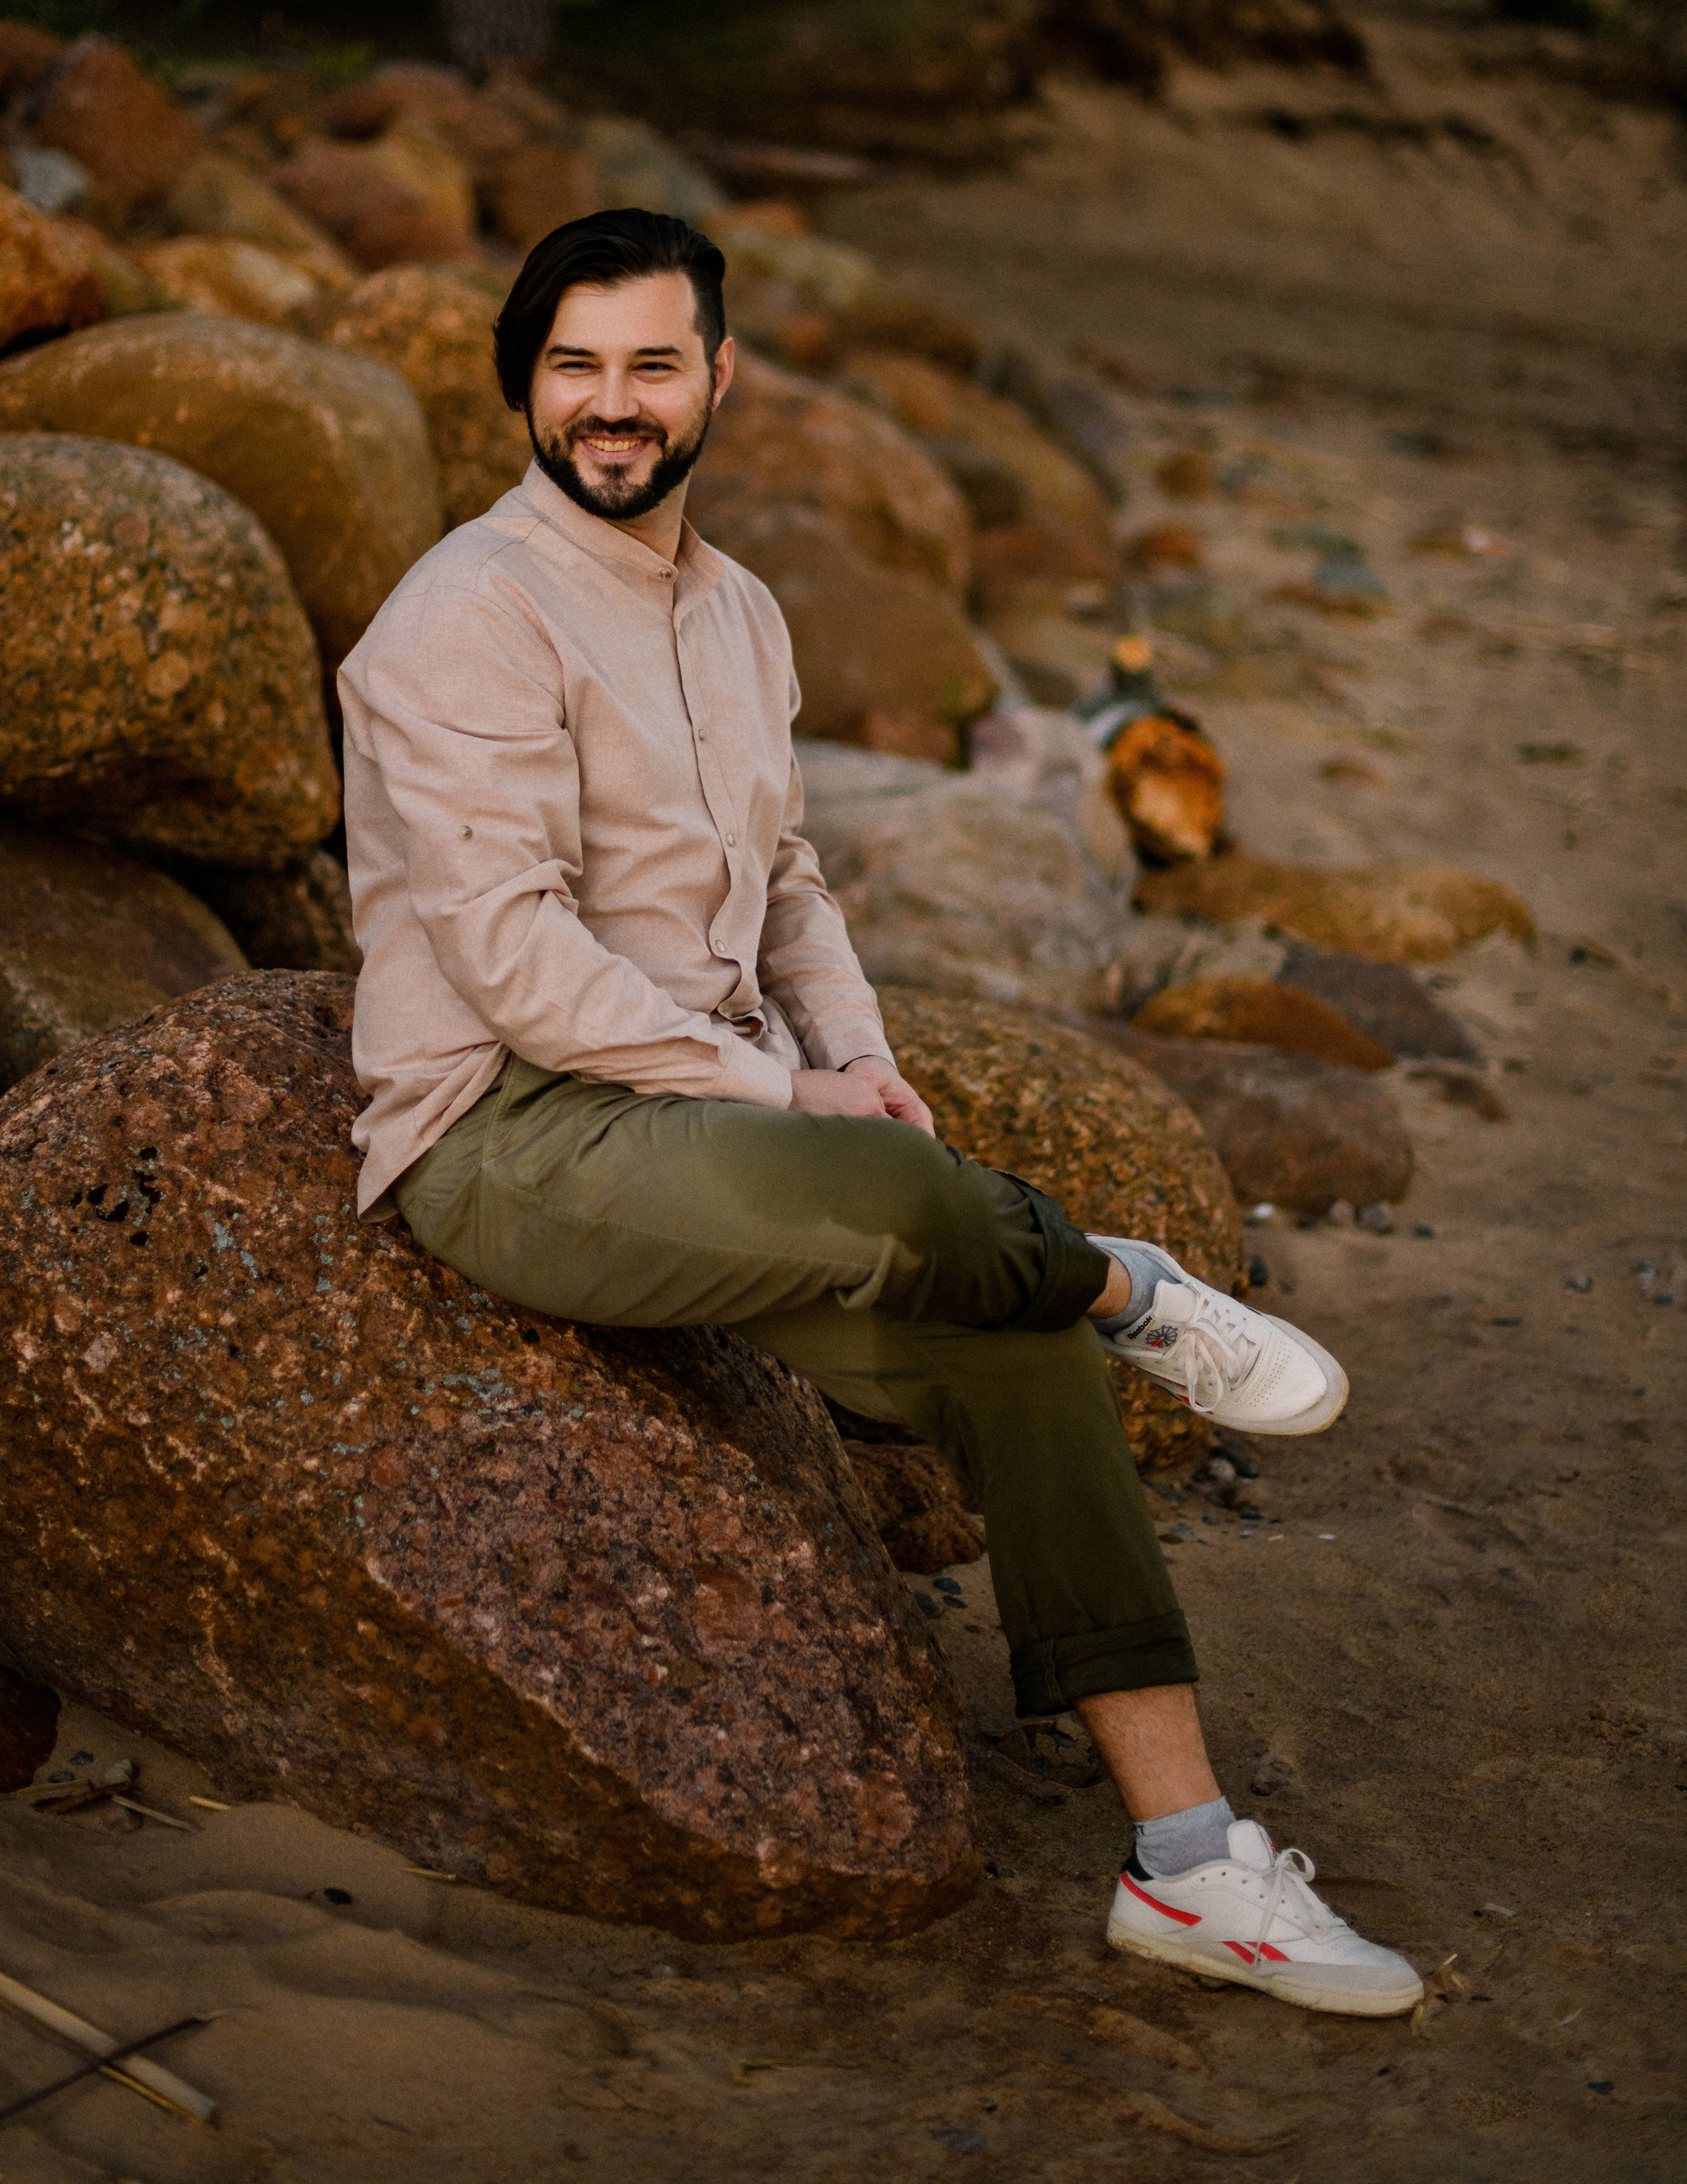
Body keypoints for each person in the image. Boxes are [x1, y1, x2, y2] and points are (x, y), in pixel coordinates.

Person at [338, 208, 1422, 2018]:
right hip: (513, 1136)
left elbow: (788, 885)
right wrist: (794, 1092)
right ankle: (1127, 1284)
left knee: (1011, 1353)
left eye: (650, 365)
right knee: (936, 1220)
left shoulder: (742, 613)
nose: (610, 405)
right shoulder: (467, 614)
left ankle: (1187, 1865)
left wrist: (857, 1058)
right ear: (524, 383)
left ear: (718, 378)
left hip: (712, 1125)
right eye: (572, 366)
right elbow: (516, 967)